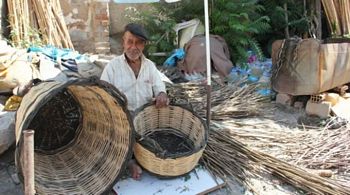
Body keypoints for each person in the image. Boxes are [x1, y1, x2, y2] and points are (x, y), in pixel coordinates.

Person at [100, 23, 169, 180]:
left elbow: (160, 87)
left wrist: (161, 94)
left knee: (154, 143)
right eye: (130, 41)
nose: (133, 47)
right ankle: (130, 162)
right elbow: (103, 95)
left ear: (143, 45)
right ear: (123, 42)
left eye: (138, 42)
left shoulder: (150, 66)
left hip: (145, 119)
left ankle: (139, 158)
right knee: (116, 142)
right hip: (121, 120)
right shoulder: (112, 67)